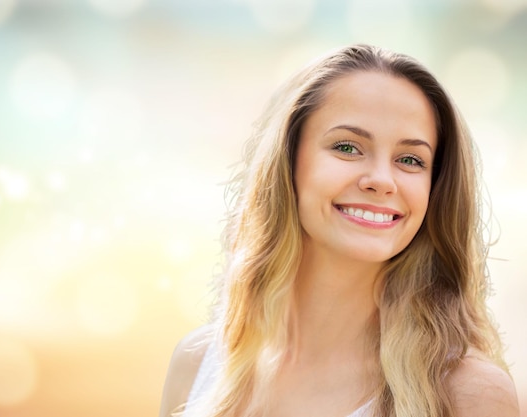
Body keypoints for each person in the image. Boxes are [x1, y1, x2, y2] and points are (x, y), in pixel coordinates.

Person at [158, 44, 519, 417]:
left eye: (410, 159)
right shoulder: (197, 365)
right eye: (347, 147)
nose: (381, 180)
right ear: (288, 162)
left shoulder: (470, 395)